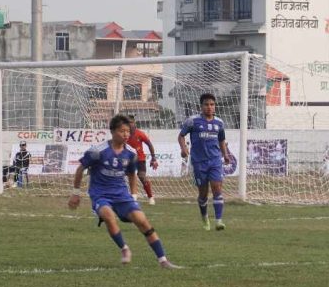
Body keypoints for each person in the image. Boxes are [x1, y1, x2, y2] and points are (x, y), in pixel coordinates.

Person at [68, 114, 180, 269]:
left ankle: (163, 260)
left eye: (128, 131)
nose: (126, 134)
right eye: (122, 131)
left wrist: (133, 197)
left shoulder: (131, 153)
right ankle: (124, 249)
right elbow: (81, 168)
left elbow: (132, 175)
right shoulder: (97, 151)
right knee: (108, 215)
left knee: (142, 221)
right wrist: (76, 193)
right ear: (113, 131)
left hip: (122, 195)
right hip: (100, 194)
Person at [179, 93, 232, 231]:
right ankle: (204, 217)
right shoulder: (193, 121)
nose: (209, 107)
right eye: (206, 104)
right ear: (201, 106)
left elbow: (221, 140)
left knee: (217, 188)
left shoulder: (219, 123)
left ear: (215, 106)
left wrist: (225, 155)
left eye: (212, 104)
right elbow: (181, 136)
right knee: (203, 194)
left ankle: (219, 221)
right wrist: (184, 148)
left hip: (215, 161)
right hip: (198, 162)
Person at [125, 114, 158, 205]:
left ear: (134, 123)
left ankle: (151, 197)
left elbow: (149, 145)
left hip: (140, 159)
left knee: (142, 177)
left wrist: (153, 158)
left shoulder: (140, 134)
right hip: (127, 160)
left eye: (131, 122)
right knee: (120, 176)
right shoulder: (124, 135)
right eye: (128, 123)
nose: (130, 124)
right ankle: (130, 196)